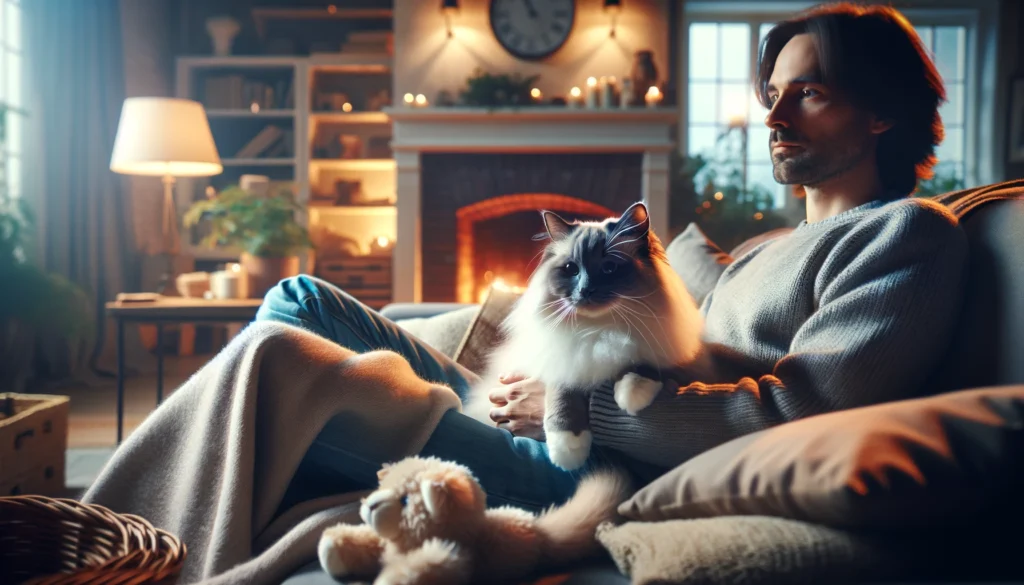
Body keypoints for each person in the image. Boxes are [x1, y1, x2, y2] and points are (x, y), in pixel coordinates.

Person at [261, 2, 967, 514]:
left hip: (598, 465)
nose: (775, 118)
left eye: (809, 94)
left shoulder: (907, 235)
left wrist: (583, 410)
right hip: (553, 413)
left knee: (289, 383)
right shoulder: (765, 250)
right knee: (300, 301)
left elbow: (801, 417)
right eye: (773, 95)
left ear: (882, 112)